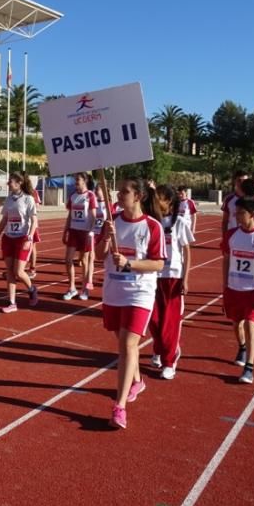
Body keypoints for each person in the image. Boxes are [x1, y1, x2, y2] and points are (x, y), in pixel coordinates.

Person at [96, 178, 165, 429]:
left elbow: (158, 264)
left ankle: (119, 406)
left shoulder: (152, 226)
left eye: (124, 191)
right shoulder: (112, 221)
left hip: (139, 293)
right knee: (121, 339)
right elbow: (99, 255)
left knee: (127, 343)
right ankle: (137, 379)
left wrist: (129, 264)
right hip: (114, 291)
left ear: (138, 196)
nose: (118, 194)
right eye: (119, 190)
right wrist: (106, 237)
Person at [221, 197, 254, 385]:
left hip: (253, 289)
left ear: (252, 214)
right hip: (234, 288)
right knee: (237, 324)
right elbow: (226, 260)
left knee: (250, 325)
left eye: (240, 213)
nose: (236, 216)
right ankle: (242, 347)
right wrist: (224, 285)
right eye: (235, 213)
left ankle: (249, 367)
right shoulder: (231, 235)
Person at [150, 184, 195, 379]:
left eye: (158, 197)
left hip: (173, 277)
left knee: (170, 321)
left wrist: (185, 278)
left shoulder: (179, 223)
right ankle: (161, 348)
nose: (154, 201)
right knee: (153, 319)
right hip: (154, 276)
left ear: (168, 201)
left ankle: (170, 360)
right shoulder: (154, 222)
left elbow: (186, 251)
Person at [0, 171, 39, 313]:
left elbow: (34, 221)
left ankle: (31, 289)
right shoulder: (9, 199)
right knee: (10, 271)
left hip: (22, 238)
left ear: (19, 183)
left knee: (19, 271)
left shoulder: (28, 199)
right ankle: (12, 302)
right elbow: (4, 220)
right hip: (8, 238)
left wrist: (30, 238)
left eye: (11, 181)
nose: (8, 183)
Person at [61, 172, 96, 301]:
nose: (76, 182)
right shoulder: (73, 196)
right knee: (68, 259)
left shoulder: (90, 196)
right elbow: (70, 215)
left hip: (85, 232)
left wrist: (91, 232)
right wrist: (65, 231)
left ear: (84, 181)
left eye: (78, 180)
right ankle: (72, 287)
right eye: (75, 180)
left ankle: (85, 288)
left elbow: (93, 216)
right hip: (74, 231)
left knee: (85, 261)